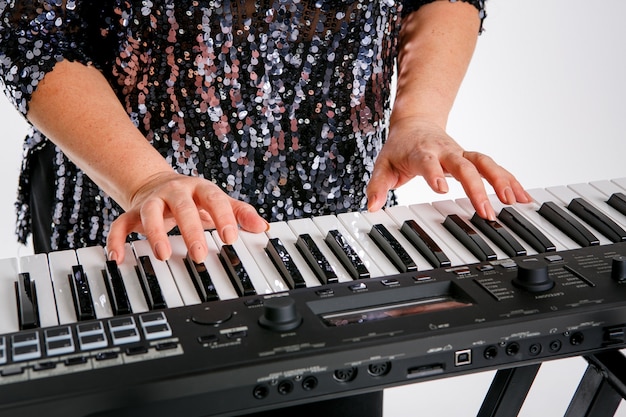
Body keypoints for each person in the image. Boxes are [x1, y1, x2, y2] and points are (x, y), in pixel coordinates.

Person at [0, 0, 529, 415]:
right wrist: (148, 178)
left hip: (329, 228)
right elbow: (33, 34)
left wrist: (420, 118)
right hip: (133, 215)